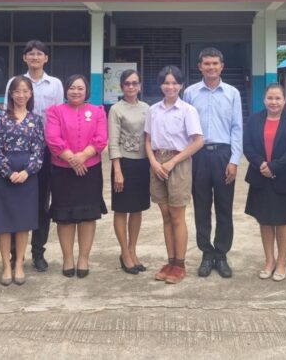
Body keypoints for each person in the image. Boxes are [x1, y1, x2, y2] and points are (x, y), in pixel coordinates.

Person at [4, 40, 64, 272]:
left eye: (40, 54)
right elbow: (7, 113)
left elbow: (58, 116)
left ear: (46, 58)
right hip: (17, 151)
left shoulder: (55, 84)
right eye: (31, 54)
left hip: (45, 152)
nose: (35, 57)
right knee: (16, 201)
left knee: (42, 204)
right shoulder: (15, 82)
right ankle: (13, 255)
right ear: (25, 58)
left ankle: (38, 252)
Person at [184, 47, 243, 278]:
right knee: (201, 207)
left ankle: (221, 253)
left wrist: (234, 160)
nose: (211, 67)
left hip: (223, 155)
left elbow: (237, 128)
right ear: (200, 67)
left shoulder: (232, 93)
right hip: (198, 155)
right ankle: (206, 254)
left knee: (224, 207)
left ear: (222, 66)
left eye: (215, 63)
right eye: (206, 63)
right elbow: (184, 128)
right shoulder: (190, 93)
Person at [145, 65, 204, 284]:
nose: (170, 87)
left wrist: (172, 162)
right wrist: (153, 162)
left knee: (177, 216)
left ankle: (180, 264)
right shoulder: (153, 110)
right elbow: (148, 139)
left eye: (174, 83)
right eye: (166, 83)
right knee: (165, 215)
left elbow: (198, 141)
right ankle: (170, 261)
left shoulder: (188, 110)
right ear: (160, 85)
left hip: (178, 163)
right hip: (157, 163)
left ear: (181, 85)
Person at [45, 75, 108, 278]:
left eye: (80, 88)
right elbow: (52, 138)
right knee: (65, 218)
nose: (76, 91)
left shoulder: (97, 111)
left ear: (86, 91)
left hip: (90, 170)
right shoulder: (55, 111)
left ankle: (83, 258)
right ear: (66, 90)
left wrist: (83, 157)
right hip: (62, 171)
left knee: (88, 216)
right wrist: (72, 159)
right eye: (72, 87)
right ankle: (67, 258)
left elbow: (101, 138)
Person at [243, 83, 286, 281]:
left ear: (284, 100)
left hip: (284, 178)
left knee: (283, 220)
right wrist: (261, 164)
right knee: (264, 220)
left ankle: (282, 261)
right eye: (270, 98)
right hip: (260, 176)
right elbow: (247, 146)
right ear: (264, 99)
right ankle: (269, 260)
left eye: (278, 98)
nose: (274, 102)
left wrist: (274, 167)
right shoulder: (254, 120)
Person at [0, 76, 45, 286]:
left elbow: (39, 151)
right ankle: (6, 265)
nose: (21, 95)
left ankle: (20, 264)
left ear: (30, 94)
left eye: (25, 91)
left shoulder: (36, 120)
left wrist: (27, 171)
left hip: (27, 176)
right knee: (3, 222)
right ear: (11, 94)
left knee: (24, 222)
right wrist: (8, 172)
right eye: (17, 91)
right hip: (4, 175)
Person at [108, 69, 150, 274]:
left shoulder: (147, 108)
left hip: (143, 163)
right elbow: (113, 142)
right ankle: (124, 252)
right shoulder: (116, 109)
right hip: (123, 163)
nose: (131, 86)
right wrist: (117, 170)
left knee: (137, 209)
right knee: (122, 209)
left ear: (140, 85)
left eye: (135, 83)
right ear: (122, 86)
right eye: (127, 83)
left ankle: (133, 250)